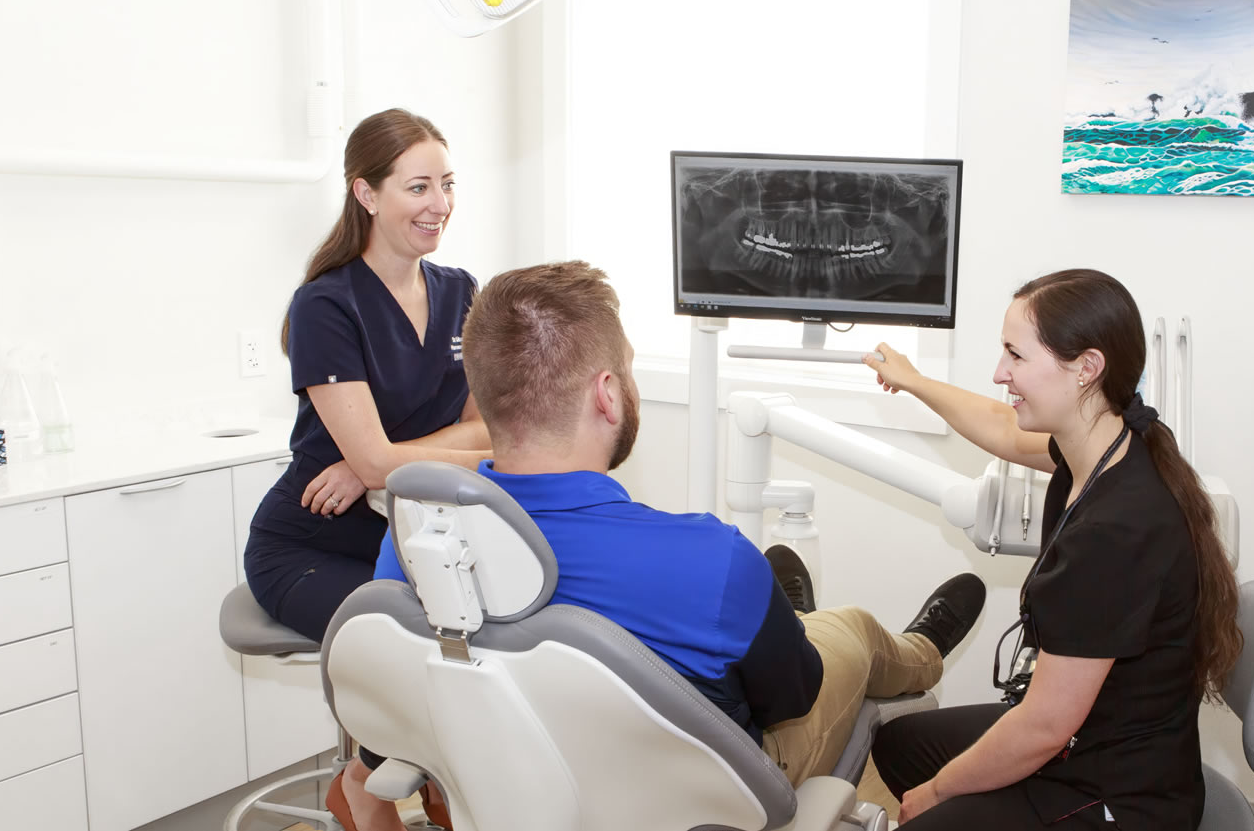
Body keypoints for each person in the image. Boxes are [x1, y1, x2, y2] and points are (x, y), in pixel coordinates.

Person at [369, 260, 988, 791]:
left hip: (514, 784)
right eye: (631, 372)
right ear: (607, 394)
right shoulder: (710, 558)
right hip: (706, 797)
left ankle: (781, 620)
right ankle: (917, 651)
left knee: (767, 620)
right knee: (847, 632)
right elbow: (793, 702)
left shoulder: (421, 541)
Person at [861, 268, 1242, 831]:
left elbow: (1043, 727)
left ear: (1086, 368)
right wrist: (915, 381)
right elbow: (1000, 426)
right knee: (901, 745)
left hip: (1118, 794)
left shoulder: (1115, 531)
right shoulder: (1109, 443)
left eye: (1016, 356)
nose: (999, 373)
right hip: (1084, 739)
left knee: (927, 807)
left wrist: (937, 793)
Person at [241, 108, 490, 831]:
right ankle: (369, 784)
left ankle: (414, 782)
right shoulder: (327, 302)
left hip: (411, 540)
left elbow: (484, 429)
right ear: (367, 193)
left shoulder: (461, 290)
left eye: (446, 183)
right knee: (418, 644)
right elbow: (405, 450)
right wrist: (370, 460)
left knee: (481, 638)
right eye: (418, 186)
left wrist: (373, 463)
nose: (439, 203)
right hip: (312, 546)